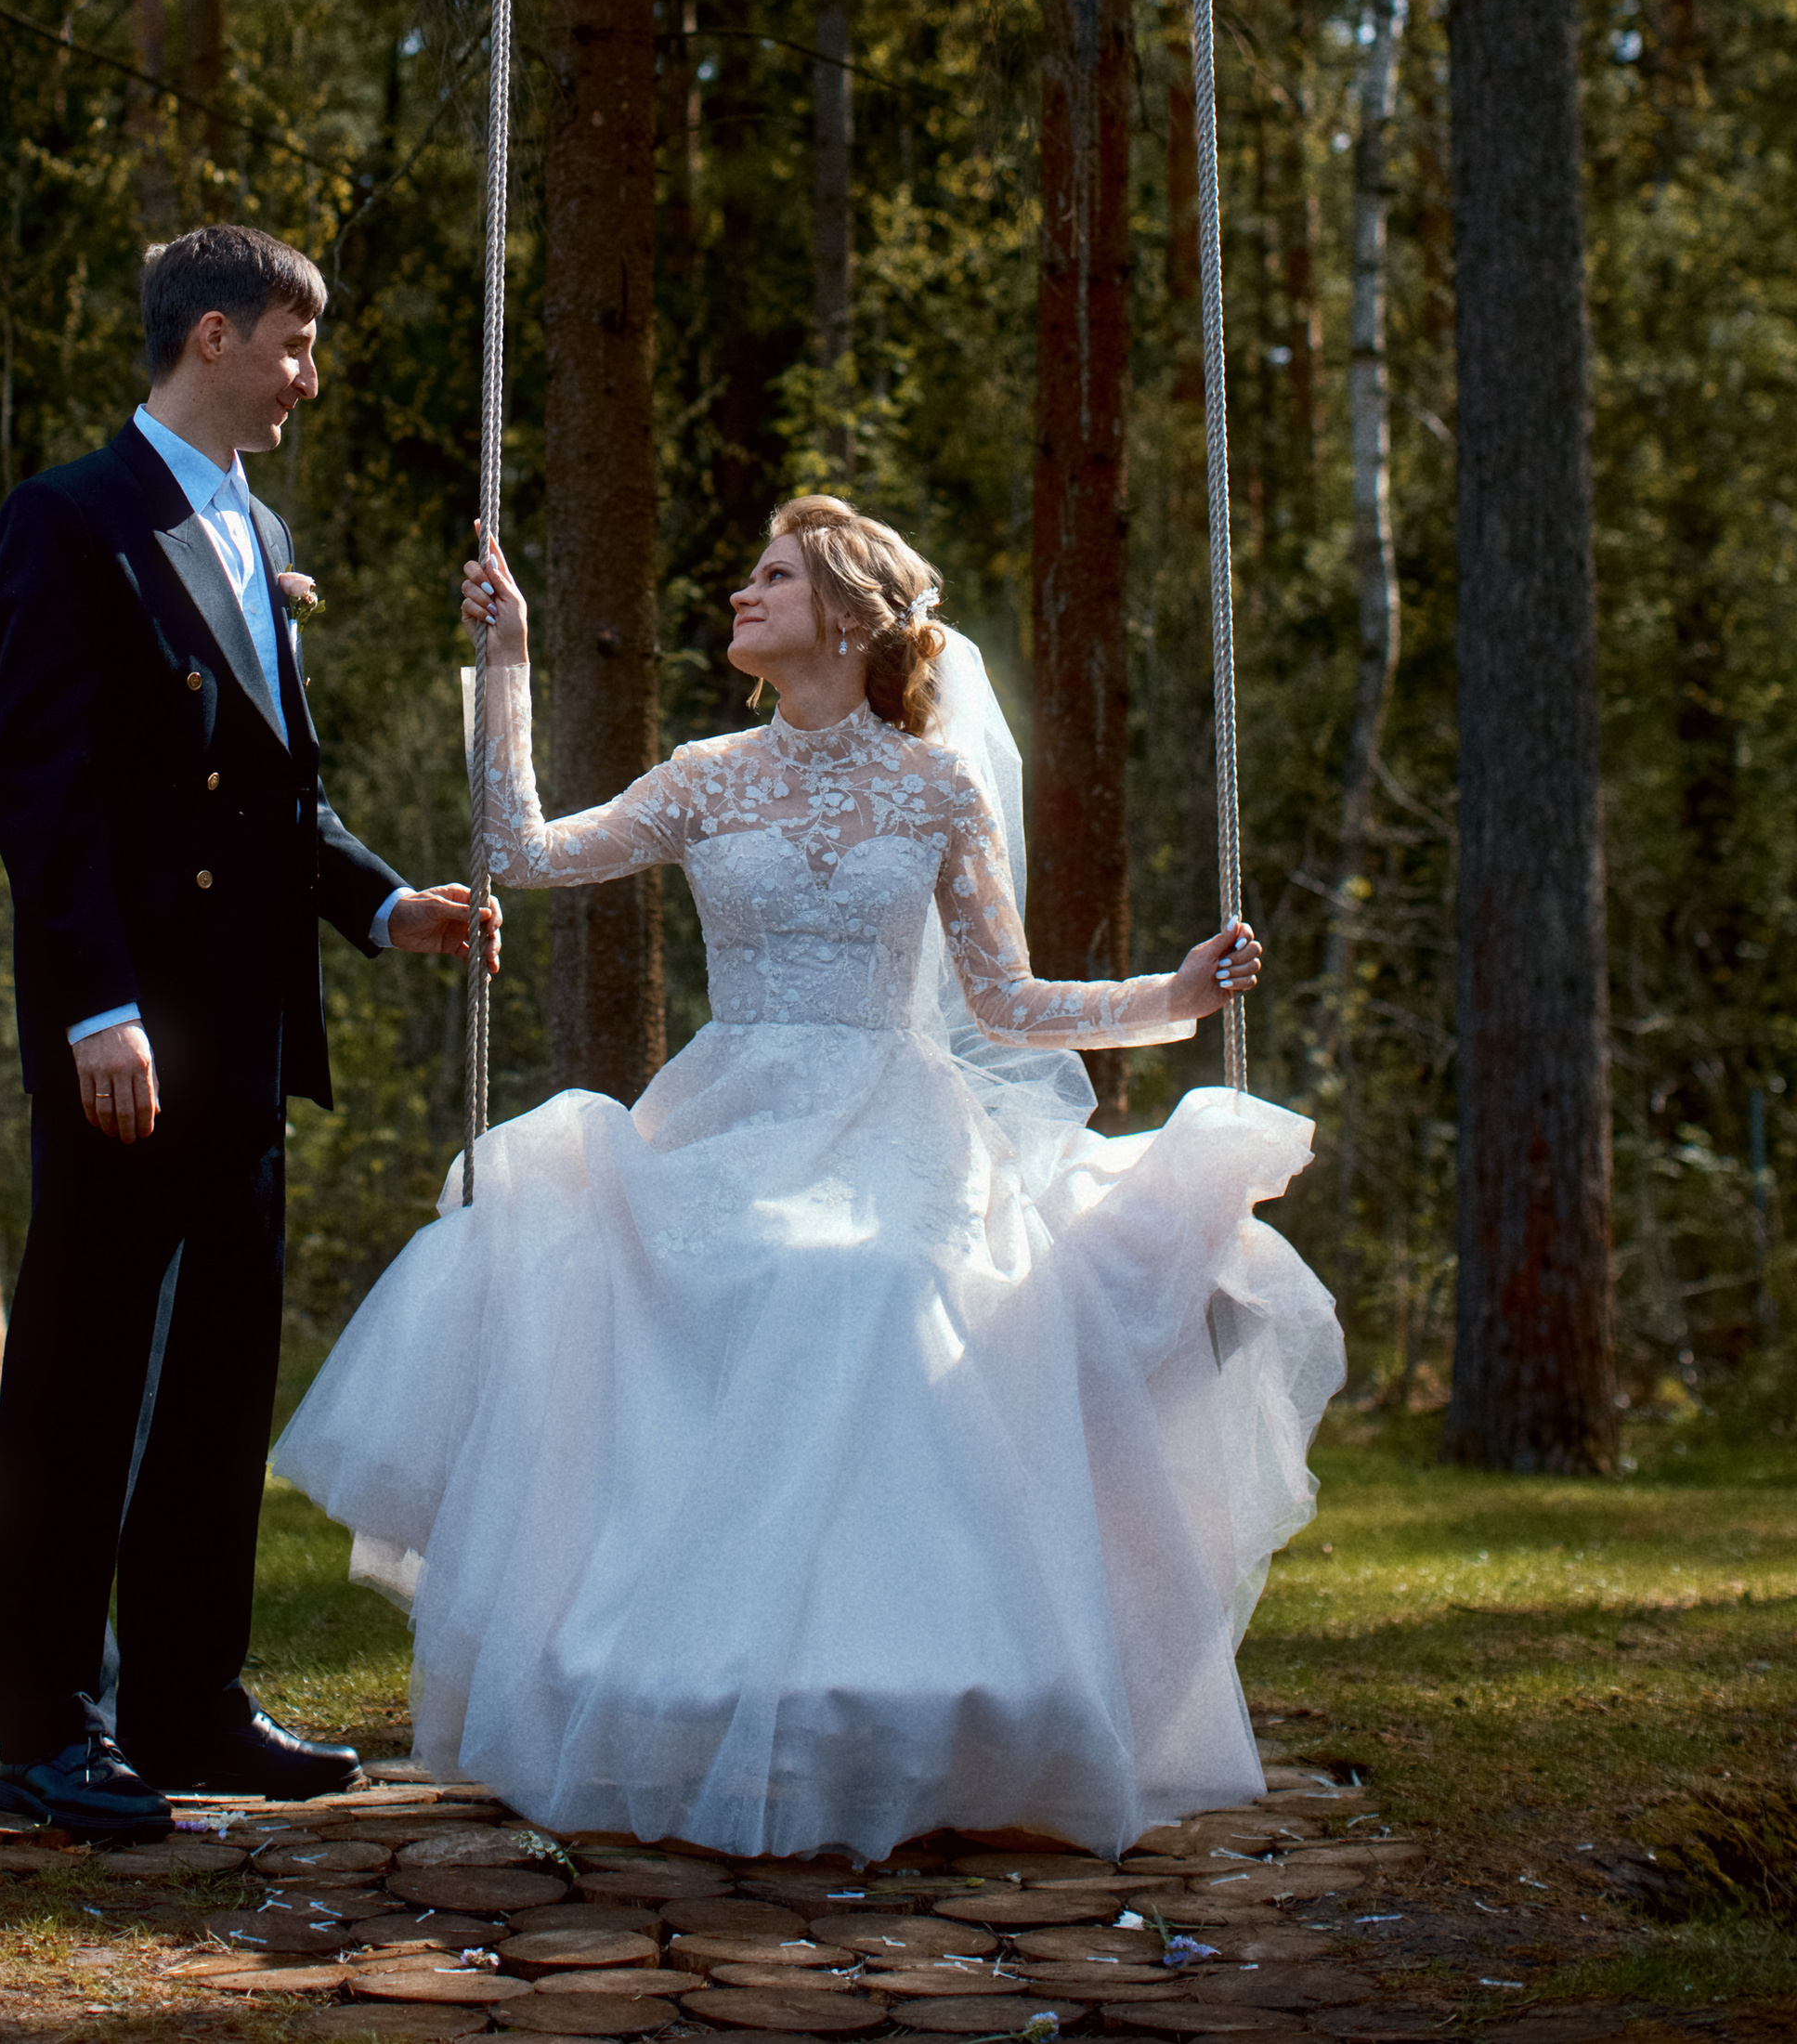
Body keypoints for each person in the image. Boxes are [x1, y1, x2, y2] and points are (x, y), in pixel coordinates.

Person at [274, 495, 1344, 1862]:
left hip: (895, 1118)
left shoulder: (939, 786)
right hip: (735, 1110)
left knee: (875, 1279)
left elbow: (1007, 1000)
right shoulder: (706, 773)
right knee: (699, 1253)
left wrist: (1174, 995)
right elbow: (522, 851)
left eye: (770, 574)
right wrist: (506, 664)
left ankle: (926, 1685)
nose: (740, 592)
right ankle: (680, 1674)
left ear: (843, 614)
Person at [0, 222, 492, 1841]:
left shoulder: (255, 524)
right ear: (210, 335)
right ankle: (53, 1722)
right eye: (292, 340)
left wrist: (384, 903)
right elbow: (42, 793)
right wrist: (95, 1005)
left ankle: (188, 1700)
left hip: (251, 1033)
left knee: (215, 1375)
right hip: (132, 1032)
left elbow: (282, 795)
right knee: (81, 1371)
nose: (308, 372)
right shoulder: (70, 519)